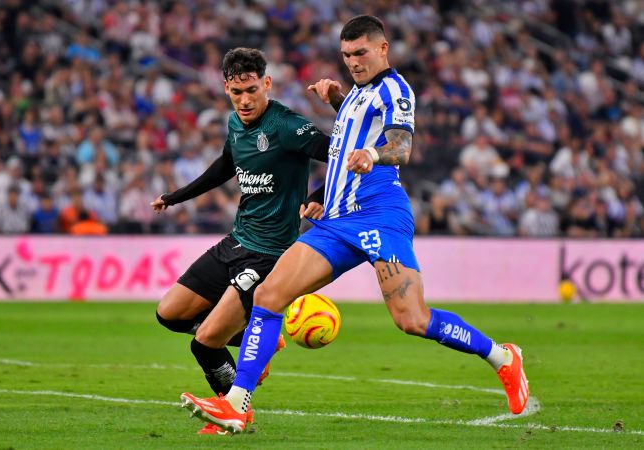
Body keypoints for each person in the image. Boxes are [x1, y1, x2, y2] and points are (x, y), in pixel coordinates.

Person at [182, 15, 529, 434]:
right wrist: (336, 101)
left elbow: (400, 146)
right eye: (346, 55)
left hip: (380, 215)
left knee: (412, 320)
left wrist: (374, 156)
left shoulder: (396, 89)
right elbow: (352, 135)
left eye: (361, 52)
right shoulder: (357, 94)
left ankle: (502, 357)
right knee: (269, 294)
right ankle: (238, 404)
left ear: (383, 48)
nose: (353, 61)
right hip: (337, 219)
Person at [149, 47, 329, 434]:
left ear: (266, 84)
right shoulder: (235, 124)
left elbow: (341, 155)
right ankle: (257, 340)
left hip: (269, 255)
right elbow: (225, 166)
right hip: (237, 240)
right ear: (226, 89)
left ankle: (234, 409)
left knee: (205, 343)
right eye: (236, 92)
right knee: (169, 313)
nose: (245, 100)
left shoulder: (287, 126)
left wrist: (317, 198)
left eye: (251, 90)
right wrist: (175, 196)